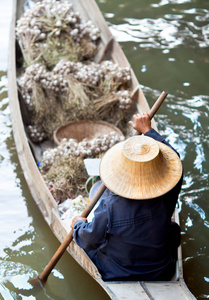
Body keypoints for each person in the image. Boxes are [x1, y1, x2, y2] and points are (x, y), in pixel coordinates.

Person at [71, 113, 183, 281]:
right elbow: (175, 159)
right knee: (172, 229)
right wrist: (148, 130)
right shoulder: (169, 192)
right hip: (161, 269)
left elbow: (89, 239)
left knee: (88, 240)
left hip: (117, 272)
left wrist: (78, 225)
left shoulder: (110, 204)